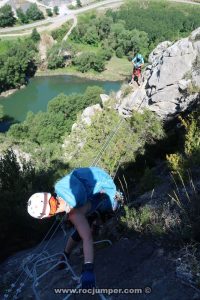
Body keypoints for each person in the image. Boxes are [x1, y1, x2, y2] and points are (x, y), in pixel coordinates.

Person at [27, 166, 122, 289]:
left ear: (47, 216)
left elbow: (87, 238)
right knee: (82, 224)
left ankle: (67, 253)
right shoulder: (60, 187)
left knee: (98, 217)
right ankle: (66, 253)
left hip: (104, 189)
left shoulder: (73, 212)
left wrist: (88, 268)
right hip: (96, 176)